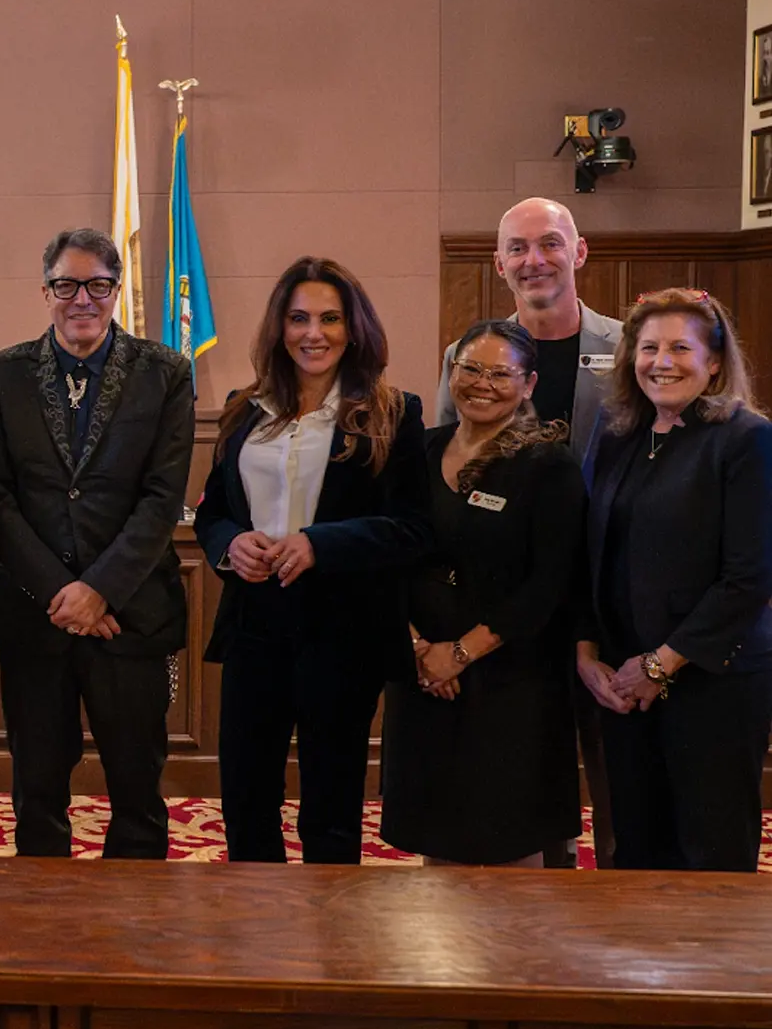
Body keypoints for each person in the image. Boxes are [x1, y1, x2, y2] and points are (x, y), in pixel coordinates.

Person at [196, 257, 427, 865]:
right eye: (298, 318)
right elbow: (213, 512)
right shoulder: (245, 408)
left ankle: (329, 949)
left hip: (342, 631)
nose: (313, 333)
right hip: (255, 623)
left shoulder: (391, 412)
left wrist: (320, 543)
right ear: (279, 328)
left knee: (329, 805)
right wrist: (230, 544)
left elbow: (411, 529)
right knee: (246, 796)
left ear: (353, 328)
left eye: (329, 318)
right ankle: (256, 936)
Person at [0, 229, 195, 860]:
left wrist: (98, 592)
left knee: (137, 790)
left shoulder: (166, 372)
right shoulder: (4, 372)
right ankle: (40, 935)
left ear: (116, 291)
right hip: (32, 615)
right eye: (67, 285)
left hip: (130, 617)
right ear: (45, 292)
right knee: (37, 791)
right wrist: (61, 592)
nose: (83, 300)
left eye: (98, 286)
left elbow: (162, 497)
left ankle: (136, 937)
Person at [432, 197, 623, 867]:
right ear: (499, 263)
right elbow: (446, 476)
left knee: (614, 771)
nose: (533, 260)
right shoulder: (469, 353)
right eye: (518, 247)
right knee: (524, 765)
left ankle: (616, 913)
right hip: (509, 607)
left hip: (604, 592)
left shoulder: (629, 348)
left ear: (579, 251)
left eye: (548, 243)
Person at [578, 289, 772, 873]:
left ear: (714, 362)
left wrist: (660, 664)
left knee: (708, 848)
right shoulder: (618, 436)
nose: (661, 361)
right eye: (649, 347)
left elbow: (750, 576)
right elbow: (593, 554)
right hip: (622, 682)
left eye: (680, 348)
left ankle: (717, 968)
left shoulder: (746, 438)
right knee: (636, 846)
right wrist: (588, 651)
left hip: (713, 681)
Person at [383, 320, 585, 867]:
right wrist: (422, 649)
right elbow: (386, 554)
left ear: (529, 384)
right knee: (435, 838)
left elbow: (547, 586)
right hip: (423, 674)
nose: (482, 383)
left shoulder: (548, 466)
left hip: (508, 683)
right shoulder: (418, 452)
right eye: (470, 368)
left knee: (504, 842)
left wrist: (460, 653)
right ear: (452, 372)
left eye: (501, 373)